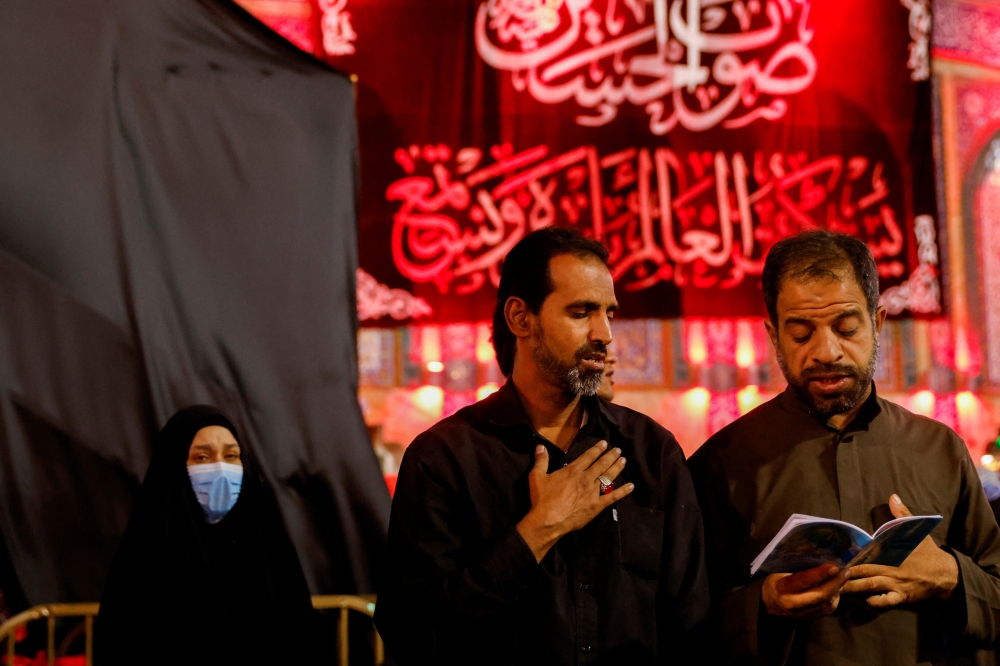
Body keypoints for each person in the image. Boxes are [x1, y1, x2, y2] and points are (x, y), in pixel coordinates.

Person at [375, 227, 709, 665]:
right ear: (520, 318)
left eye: (609, 313)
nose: (605, 334)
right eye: (581, 312)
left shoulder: (649, 452)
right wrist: (538, 531)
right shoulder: (444, 460)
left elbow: (691, 626)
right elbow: (412, 633)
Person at [689, 230, 1000, 665]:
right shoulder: (723, 461)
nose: (826, 351)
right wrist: (764, 603)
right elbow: (682, 619)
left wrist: (949, 575)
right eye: (800, 334)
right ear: (774, 335)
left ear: (877, 323)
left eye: (846, 328)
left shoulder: (940, 449)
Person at [95, 406, 323, 666]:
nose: (221, 469)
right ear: (174, 465)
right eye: (202, 457)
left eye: (231, 455)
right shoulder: (145, 558)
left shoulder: (270, 550)